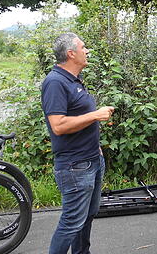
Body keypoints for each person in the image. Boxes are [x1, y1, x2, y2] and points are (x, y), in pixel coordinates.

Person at [41, 32, 114, 254]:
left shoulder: (72, 80)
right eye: (83, 47)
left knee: (87, 216)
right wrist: (95, 115)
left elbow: (75, 117)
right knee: (72, 222)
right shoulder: (55, 82)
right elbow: (59, 125)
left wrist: (96, 148)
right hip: (75, 166)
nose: (87, 51)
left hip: (92, 160)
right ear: (71, 54)